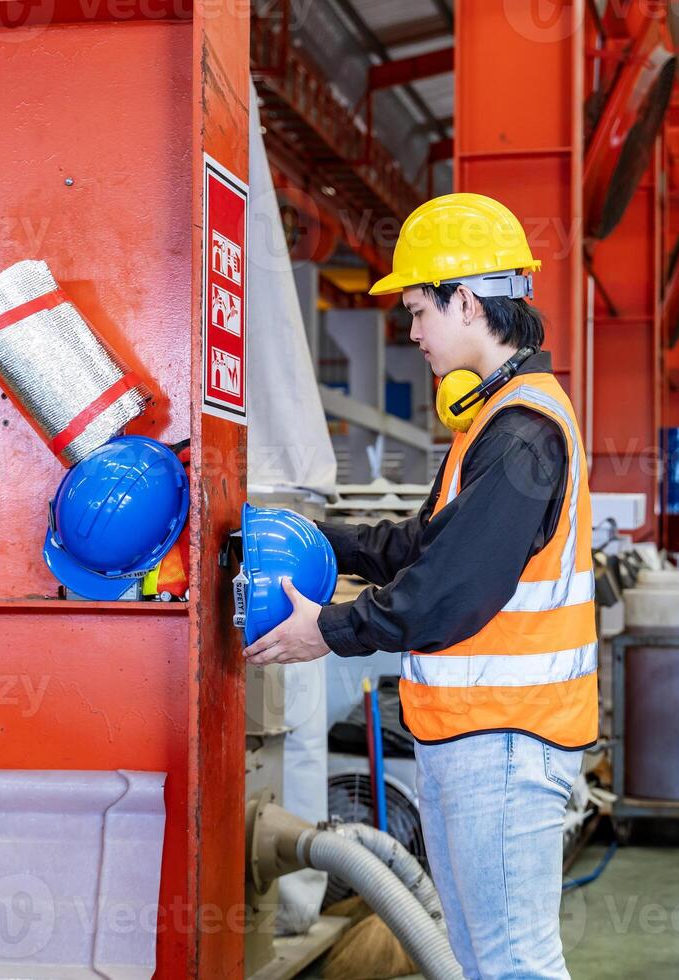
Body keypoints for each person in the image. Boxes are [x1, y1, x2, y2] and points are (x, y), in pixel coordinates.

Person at [244, 192, 596, 979]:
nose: (411, 333)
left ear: (466, 300)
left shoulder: (521, 433)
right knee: (481, 962)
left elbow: (446, 591)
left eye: (417, 311)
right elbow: (416, 546)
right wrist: (309, 539)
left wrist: (326, 632)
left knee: (512, 966)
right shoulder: (492, 420)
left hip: (504, 742)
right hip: (477, 739)